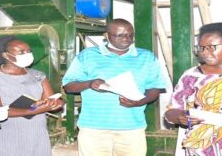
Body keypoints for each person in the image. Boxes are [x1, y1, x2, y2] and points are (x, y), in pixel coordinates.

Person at [62, 18, 167, 156]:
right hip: (93, 129)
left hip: (131, 128)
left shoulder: (146, 57)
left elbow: (154, 89)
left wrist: (139, 102)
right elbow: (69, 86)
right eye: (120, 35)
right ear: (106, 36)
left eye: (130, 35)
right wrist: (89, 83)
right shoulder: (87, 55)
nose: (126, 39)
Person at [165, 22, 222, 155]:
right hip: (203, 148)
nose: (204, 53)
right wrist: (180, 117)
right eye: (201, 48)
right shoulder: (193, 75)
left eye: (211, 47)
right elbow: (171, 112)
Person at [0, 35, 64, 156]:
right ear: (5, 55)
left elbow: (52, 99)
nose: (27, 54)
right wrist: (32, 110)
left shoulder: (38, 76)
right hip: (5, 136)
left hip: (36, 136)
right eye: (21, 52)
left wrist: (56, 104)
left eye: (28, 51)